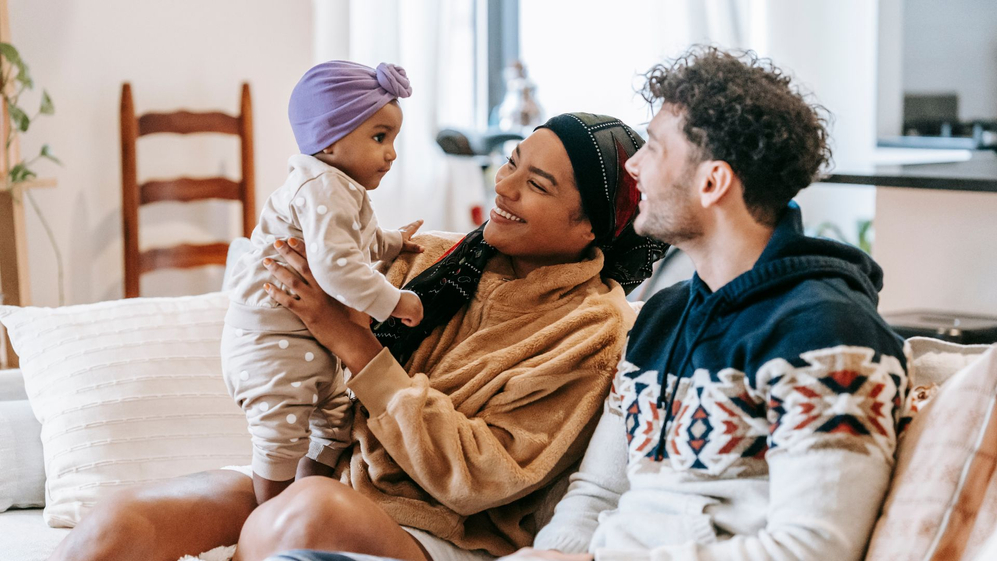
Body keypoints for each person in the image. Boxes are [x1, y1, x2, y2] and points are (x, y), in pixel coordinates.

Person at [48, 113, 666, 561]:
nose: (502, 187)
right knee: (118, 525)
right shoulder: (438, 259)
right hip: (336, 482)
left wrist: (354, 344)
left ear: (592, 227)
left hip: (441, 532)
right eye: (512, 163)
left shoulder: (595, 330)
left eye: (537, 185)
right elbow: (303, 337)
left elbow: (483, 476)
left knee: (300, 517)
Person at [514, 46, 910, 561]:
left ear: (713, 181)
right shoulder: (663, 315)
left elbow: (811, 549)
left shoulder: (825, 331)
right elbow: (596, 494)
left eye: (653, 149)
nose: (633, 166)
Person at [222, 60, 426, 505]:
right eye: (379, 137)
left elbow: (353, 244)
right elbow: (337, 268)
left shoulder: (339, 188)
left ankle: (304, 497)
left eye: (393, 139)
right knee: (281, 436)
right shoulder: (323, 187)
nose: (391, 153)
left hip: (303, 341)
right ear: (330, 141)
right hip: (270, 342)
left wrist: (391, 243)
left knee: (336, 422)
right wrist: (395, 302)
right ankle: (270, 517)